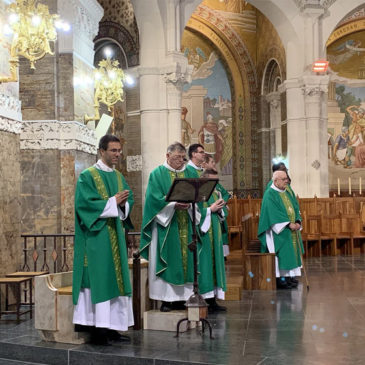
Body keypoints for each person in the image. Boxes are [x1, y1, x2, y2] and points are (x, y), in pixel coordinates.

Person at [72, 134, 134, 345]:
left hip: (115, 236)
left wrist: (123, 204)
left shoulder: (118, 177)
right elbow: (84, 205)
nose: (117, 154)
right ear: (101, 151)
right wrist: (112, 202)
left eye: (119, 150)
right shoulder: (87, 176)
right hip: (97, 238)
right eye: (113, 150)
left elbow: (128, 200)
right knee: (99, 280)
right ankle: (98, 329)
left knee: (116, 280)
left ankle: (114, 327)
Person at [139, 142, 199, 312]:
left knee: (186, 258)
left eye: (182, 157)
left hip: (186, 221)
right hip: (166, 225)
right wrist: (172, 204)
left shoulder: (190, 172)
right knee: (167, 257)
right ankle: (166, 299)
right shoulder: (157, 174)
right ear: (167, 156)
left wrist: (191, 204)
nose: (180, 161)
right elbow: (152, 199)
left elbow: (199, 195)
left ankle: (184, 298)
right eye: (176, 157)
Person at [258, 170, 303, 289]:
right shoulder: (270, 194)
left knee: (291, 254)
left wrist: (298, 221)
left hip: (291, 229)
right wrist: (288, 224)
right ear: (276, 181)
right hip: (278, 231)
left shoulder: (286, 191)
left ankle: (289, 277)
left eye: (286, 178)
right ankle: (281, 279)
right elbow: (273, 214)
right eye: (283, 179)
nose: (286, 181)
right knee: (282, 254)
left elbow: (295, 206)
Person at [199, 169, 227, 312]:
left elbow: (222, 215)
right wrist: (210, 209)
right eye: (212, 181)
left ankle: (213, 300)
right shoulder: (199, 194)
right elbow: (196, 213)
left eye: (216, 181)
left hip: (215, 236)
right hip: (204, 237)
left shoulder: (216, 193)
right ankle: (205, 301)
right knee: (206, 267)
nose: (215, 184)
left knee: (215, 266)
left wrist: (220, 209)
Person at [202, 154, 231, 257]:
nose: (214, 164)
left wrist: (222, 203)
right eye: (212, 162)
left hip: (216, 220)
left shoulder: (215, 186)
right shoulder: (201, 187)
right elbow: (197, 210)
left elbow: (225, 194)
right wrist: (210, 209)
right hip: (206, 227)